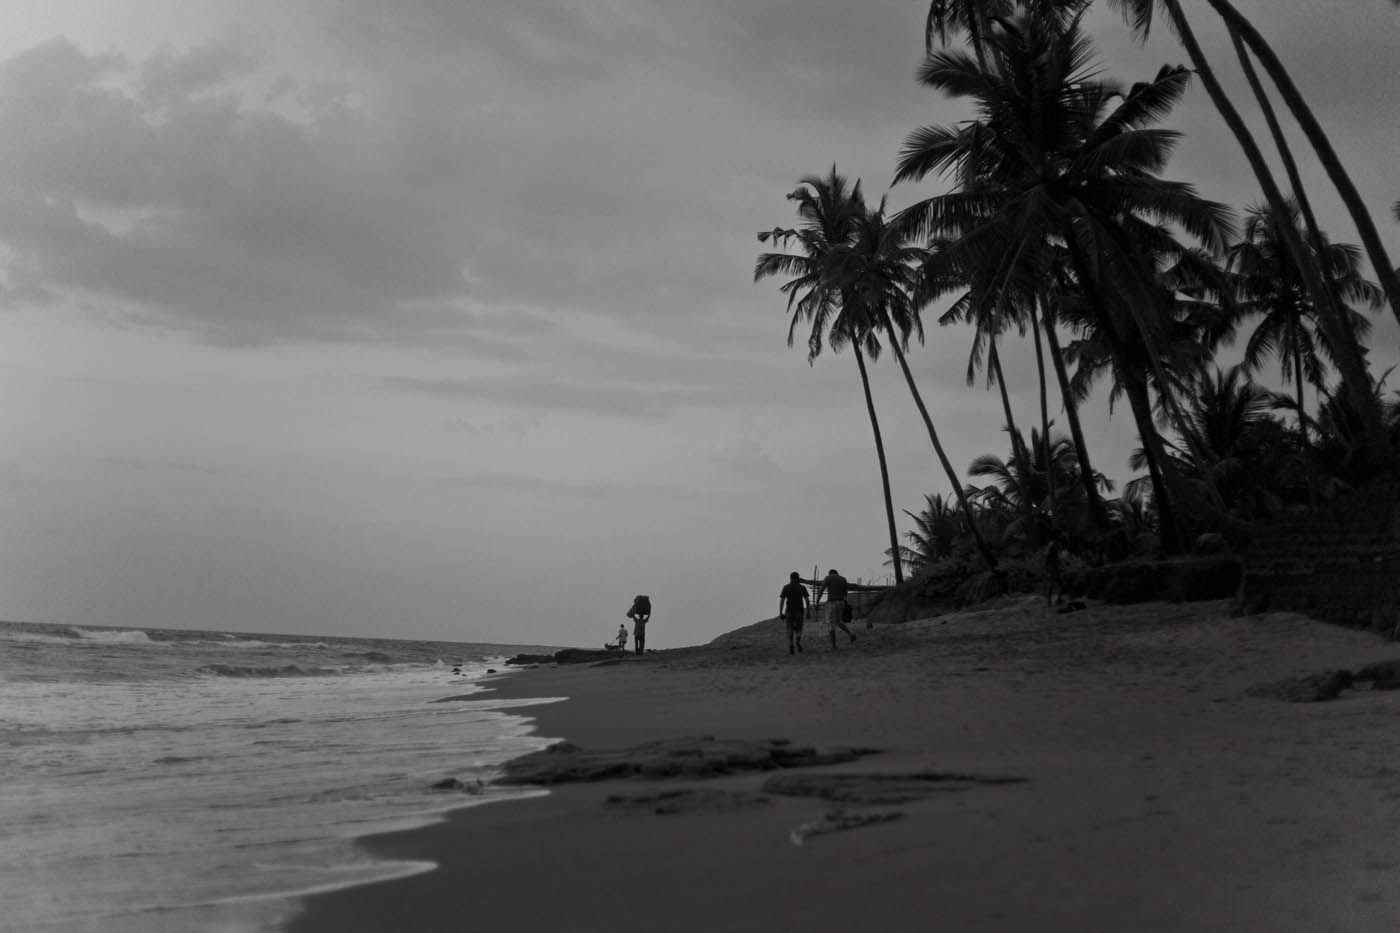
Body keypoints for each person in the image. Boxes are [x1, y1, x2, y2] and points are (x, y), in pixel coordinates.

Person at [823, 568, 856, 649]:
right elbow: (845, 593)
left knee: (830, 624)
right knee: (838, 621)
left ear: (830, 573)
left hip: (832, 602)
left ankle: (833, 646)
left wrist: (817, 601)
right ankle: (851, 634)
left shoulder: (828, 578)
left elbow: (821, 589)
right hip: (841, 602)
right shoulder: (843, 579)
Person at [778, 572, 809, 655]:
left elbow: (782, 600)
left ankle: (791, 644)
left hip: (789, 611)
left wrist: (780, 612)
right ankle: (798, 640)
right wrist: (808, 611)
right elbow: (807, 600)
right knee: (799, 628)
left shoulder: (786, 587)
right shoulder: (802, 587)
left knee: (790, 628)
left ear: (790, 578)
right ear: (798, 578)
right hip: (799, 611)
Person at [1045, 529, 1068, 607]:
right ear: (1057, 535)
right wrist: (1047, 566)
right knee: (1053, 583)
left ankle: (1057, 600)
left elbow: (1056, 556)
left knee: (1060, 584)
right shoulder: (1052, 544)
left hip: (1055, 566)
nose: (1061, 535)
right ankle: (1049, 601)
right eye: (1060, 534)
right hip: (1052, 567)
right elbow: (1047, 555)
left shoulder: (1056, 543)